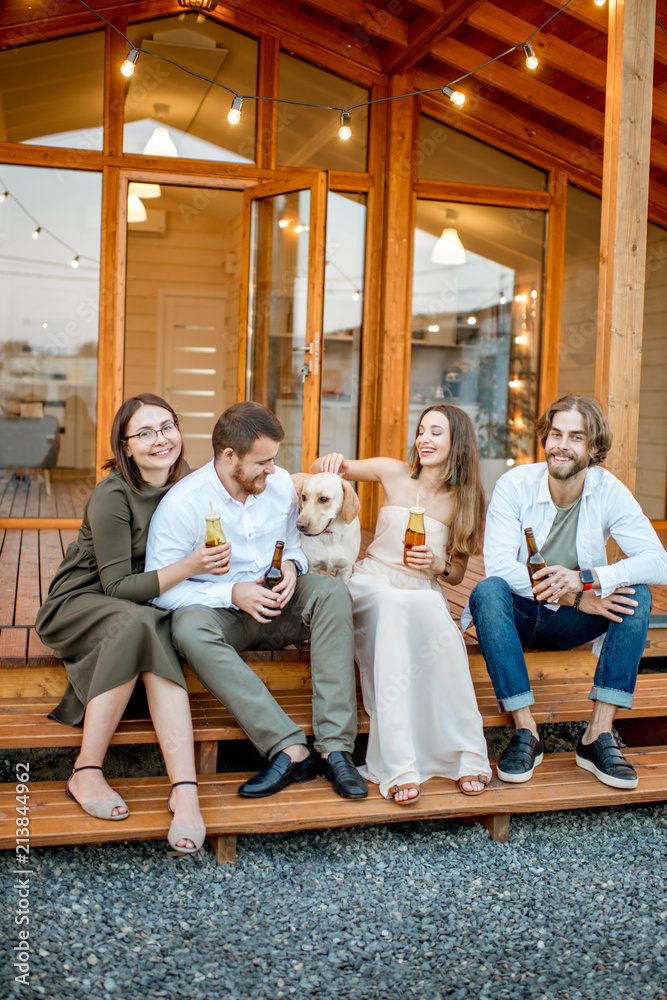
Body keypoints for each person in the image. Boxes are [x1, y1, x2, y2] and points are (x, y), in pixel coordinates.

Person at [144, 401, 367, 800]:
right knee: (188, 628)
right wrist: (231, 592)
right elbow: (162, 589)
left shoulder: (279, 483)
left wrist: (296, 568)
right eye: (263, 461)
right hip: (223, 614)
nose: (274, 470)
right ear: (230, 456)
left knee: (332, 592)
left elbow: (296, 542)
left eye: (274, 459)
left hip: (281, 603)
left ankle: (336, 748)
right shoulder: (182, 505)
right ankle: (289, 748)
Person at [36, 394, 221, 854]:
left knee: (149, 624)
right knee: (143, 622)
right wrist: (192, 565)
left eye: (167, 426)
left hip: (144, 606)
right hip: (80, 603)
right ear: (126, 446)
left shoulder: (193, 487)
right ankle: (86, 771)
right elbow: (116, 587)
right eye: (145, 433)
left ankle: (185, 790)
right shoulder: (114, 492)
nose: (160, 439)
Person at [467, 393, 667, 789]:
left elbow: (658, 561)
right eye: (555, 434)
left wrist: (587, 579)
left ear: (593, 448)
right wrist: (572, 594)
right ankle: (526, 732)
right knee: (487, 591)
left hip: (573, 621)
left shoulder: (608, 490)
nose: (561, 445)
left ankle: (598, 735)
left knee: (637, 596)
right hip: (521, 613)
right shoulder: (515, 484)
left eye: (576, 437)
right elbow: (501, 568)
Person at [314, 404, 492, 804]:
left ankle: (464, 753)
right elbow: (330, 471)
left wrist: (438, 564)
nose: (424, 440)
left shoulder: (466, 498)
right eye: (421, 431)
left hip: (422, 588)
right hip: (373, 583)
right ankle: (398, 764)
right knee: (395, 605)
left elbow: (458, 574)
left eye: (436, 432)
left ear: (457, 442)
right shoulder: (394, 472)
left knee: (438, 621)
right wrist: (330, 462)